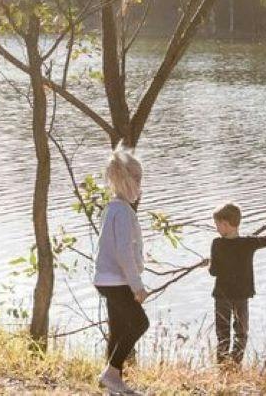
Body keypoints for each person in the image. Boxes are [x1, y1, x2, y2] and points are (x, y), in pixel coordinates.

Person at [92, 145, 151, 395]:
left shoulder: (111, 208)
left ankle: (111, 382)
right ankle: (111, 373)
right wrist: (137, 286)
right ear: (129, 181)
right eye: (139, 181)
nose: (141, 187)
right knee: (140, 323)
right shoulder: (124, 212)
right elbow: (123, 252)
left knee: (117, 328)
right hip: (117, 280)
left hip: (104, 279)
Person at [207, 202, 266, 367]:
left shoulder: (217, 244)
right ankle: (235, 365)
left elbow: (213, 272)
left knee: (222, 334)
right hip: (241, 296)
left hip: (222, 296)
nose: (216, 228)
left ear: (225, 224)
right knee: (241, 333)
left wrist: (210, 263)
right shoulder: (249, 243)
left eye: (217, 225)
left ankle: (222, 366)